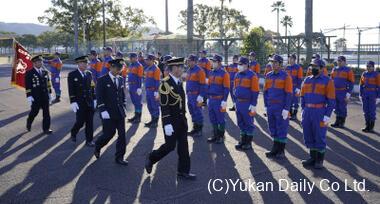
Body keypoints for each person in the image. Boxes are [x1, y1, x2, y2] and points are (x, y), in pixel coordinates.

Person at [145, 57, 196, 180]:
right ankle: (152, 157)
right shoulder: (165, 84)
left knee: (184, 147)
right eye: (180, 67)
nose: (182, 69)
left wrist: (184, 118)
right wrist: (167, 123)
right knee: (170, 146)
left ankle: (183, 171)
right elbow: (164, 106)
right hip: (171, 122)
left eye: (182, 67)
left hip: (181, 120)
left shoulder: (179, 82)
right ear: (174, 68)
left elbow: (181, 103)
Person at [300, 59, 335, 169]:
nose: (313, 68)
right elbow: (302, 96)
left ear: (321, 68)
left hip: (319, 112)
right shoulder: (307, 80)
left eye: (315, 66)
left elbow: (331, 100)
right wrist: (303, 110)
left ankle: (319, 160)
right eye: (312, 66)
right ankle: (312, 157)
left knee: (319, 135)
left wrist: (327, 115)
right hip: (308, 111)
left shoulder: (327, 81)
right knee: (308, 134)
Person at [94, 59, 129, 165]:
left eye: (120, 69)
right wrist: (102, 110)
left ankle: (119, 157)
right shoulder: (102, 80)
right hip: (108, 113)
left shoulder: (120, 79)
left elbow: (122, 94)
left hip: (119, 112)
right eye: (117, 68)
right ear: (111, 67)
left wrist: (124, 105)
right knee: (109, 134)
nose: (119, 71)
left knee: (122, 135)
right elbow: (99, 97)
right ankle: (98, 145)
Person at [263, 54, 292, 158]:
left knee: (281, 128)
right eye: (272, 62)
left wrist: (286, 109)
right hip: (271, 106)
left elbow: (288, 94)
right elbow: (265, 92)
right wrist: (265, 106)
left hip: (280, 106)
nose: (273, 64)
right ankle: (275, 149)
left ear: (280, 64)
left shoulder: (285, 76)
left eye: (275, 62)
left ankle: (281, 151)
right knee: (273, 127)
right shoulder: (268, 75)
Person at [68, 56, 96, 147]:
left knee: (90, 122)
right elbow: (71, 89)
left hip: (89, 101)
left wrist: (95, 98)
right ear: (78, 64)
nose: (85, 65)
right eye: (83, 63)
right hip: (79, 102)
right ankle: (74, 132)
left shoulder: (89, 73)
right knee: (80, 122)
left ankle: (89, 140)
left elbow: (92, 87)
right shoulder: (72, 75)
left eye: (86, 63)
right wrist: (73, 101)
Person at [234, 57, 259, 150]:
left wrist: (253, 104)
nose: (239, 66)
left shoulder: (252, 75)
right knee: (240, 122)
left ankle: (248, 142)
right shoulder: (237, 75)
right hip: (239, 102)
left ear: (246, 65)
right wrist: (235, 101)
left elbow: (255, 91)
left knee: (248, 123)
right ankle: (242, 141)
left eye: (241, 64)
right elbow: (235, 88)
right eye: (239, 64)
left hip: (247, 103)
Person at [25, 55, 53, 134]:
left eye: (41, 61)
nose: (40, 63)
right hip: (35, 97)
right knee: (34, 112)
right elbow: (28, 85)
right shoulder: (29, 73)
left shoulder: (45, 72)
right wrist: (29, 95)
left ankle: (46, 128)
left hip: (45, 96)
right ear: (34, 63)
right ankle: (29, 121)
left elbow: (48, 83)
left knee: (46, 113)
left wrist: (50, 93)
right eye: (38, 62)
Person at [206, 54, 230, 144]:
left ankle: (221, 136)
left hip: (219, 100)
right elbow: (209, 86)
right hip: (211, 100)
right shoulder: (211, 73)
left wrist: (224, 100)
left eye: (214, 61)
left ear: (219, 63)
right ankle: (215, 135)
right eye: (212, 61)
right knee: (212, 118)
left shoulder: (224, 74)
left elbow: (226, 88)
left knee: (220, 119)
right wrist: (208, 98)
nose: (212, 63)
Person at [330, 56, 355, 128]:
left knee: (342, 107)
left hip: (343, 91)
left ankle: (342, 122)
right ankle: (337, 121)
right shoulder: (334, 69)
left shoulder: (348, 70)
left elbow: (351, 82)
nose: (339, 62)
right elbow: (331, 79)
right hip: (335, 91)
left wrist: (348, 93)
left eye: (340, 61)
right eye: (338, 60)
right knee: (336, 107)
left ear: (344, 61)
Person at [185, 54, 206, 137]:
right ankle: (195, 128)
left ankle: (199, 130)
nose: (188, 62)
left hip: (197, 96)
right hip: (190, 95)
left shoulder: (200, 71)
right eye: (188, 61)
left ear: (194, 61)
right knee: (192, 111)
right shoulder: (189, 70)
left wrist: (201, 95)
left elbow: (203, 84)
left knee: (198, 112)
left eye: (189, 61)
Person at [359, 61, 380, 132]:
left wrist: (378, 97)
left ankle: (371, 126)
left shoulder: (376, 74)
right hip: (365, 94)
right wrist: (360, 94)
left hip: (373, 94)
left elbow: (379, 86)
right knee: (365, 110)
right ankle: (367, 125)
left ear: (373, 67)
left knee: (371, 111)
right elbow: (361, 84)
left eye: (370, 66)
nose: (368, 67)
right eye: (367, 66)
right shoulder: (364, 74)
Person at [144, 54, 161, 127]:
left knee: (154, 106)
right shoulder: (148, 69)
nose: (146, 61)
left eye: (147, 60)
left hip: (153, 90)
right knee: (149, 106)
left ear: (152, 60)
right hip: (148, 90)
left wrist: (157, 91)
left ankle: (155, 121)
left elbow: (157, 81)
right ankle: (152, 119)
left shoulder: (156, 69)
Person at [127, 52, 144, 124]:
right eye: (130, 57)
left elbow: (140, 77)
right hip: (131, 86)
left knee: (138, 102)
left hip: (136, 86)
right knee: (134, 101)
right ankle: (136, 115)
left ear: (135, 58)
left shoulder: (139, 66)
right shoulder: (131, 65)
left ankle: (138, 117)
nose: (130, 59)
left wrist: (139, 88)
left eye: (131, 57)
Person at [285, 53, 303, 120]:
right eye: (289, 58)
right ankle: (289, 114)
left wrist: (298, 88)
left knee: (295, 101)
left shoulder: (298, 68)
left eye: (291, 58)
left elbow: (300, 78)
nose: (290, 60)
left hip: (295, 87)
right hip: (288, 87)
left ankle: (294, 114)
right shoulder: (287, 67)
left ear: (294, 59)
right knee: (288, 100)